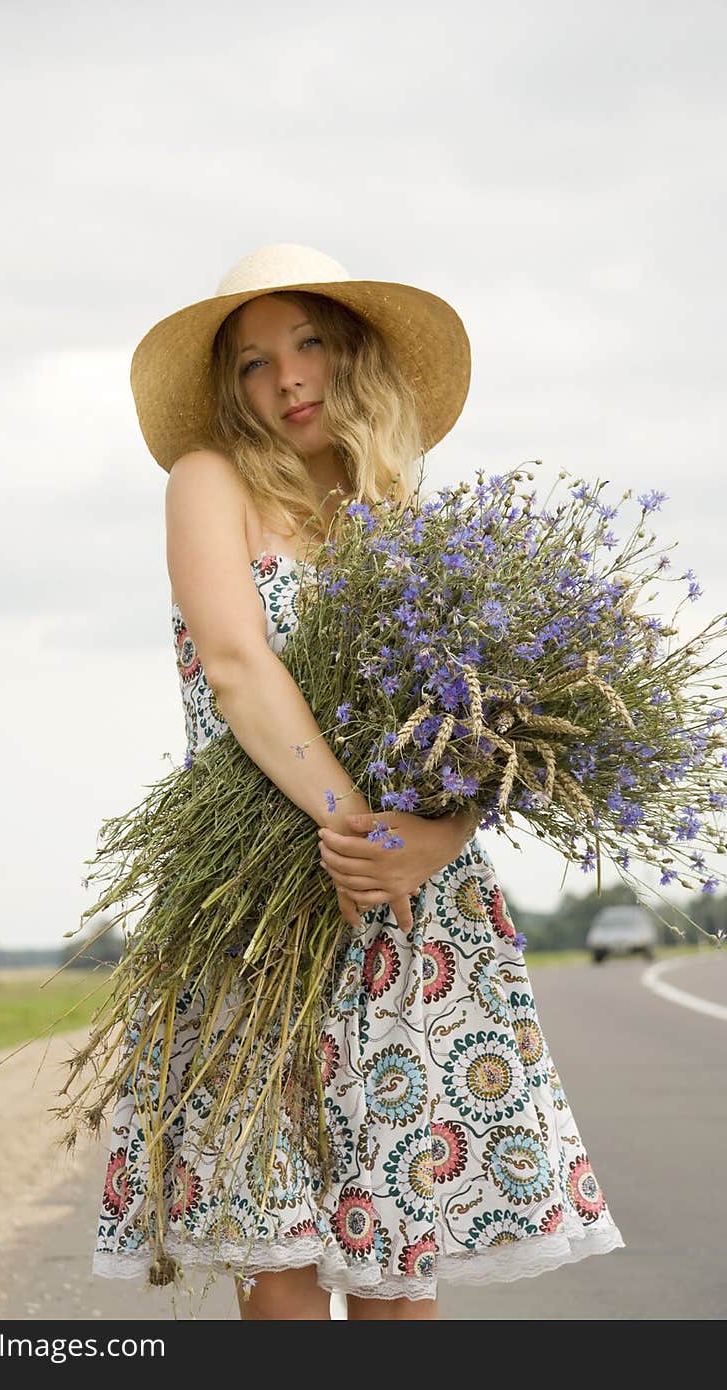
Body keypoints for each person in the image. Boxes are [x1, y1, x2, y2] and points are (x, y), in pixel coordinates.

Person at [91, 243, 626, 1320]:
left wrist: (429, 837)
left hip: (404, 915)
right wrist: (359, 832)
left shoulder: (415, 527)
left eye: (309, 344)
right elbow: (239, 666)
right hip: (261, 906)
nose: (286, 378)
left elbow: (488, 717)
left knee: (394, 1264)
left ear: (353, 356)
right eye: (252, 362)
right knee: (279, 1270)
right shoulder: (210, 484)